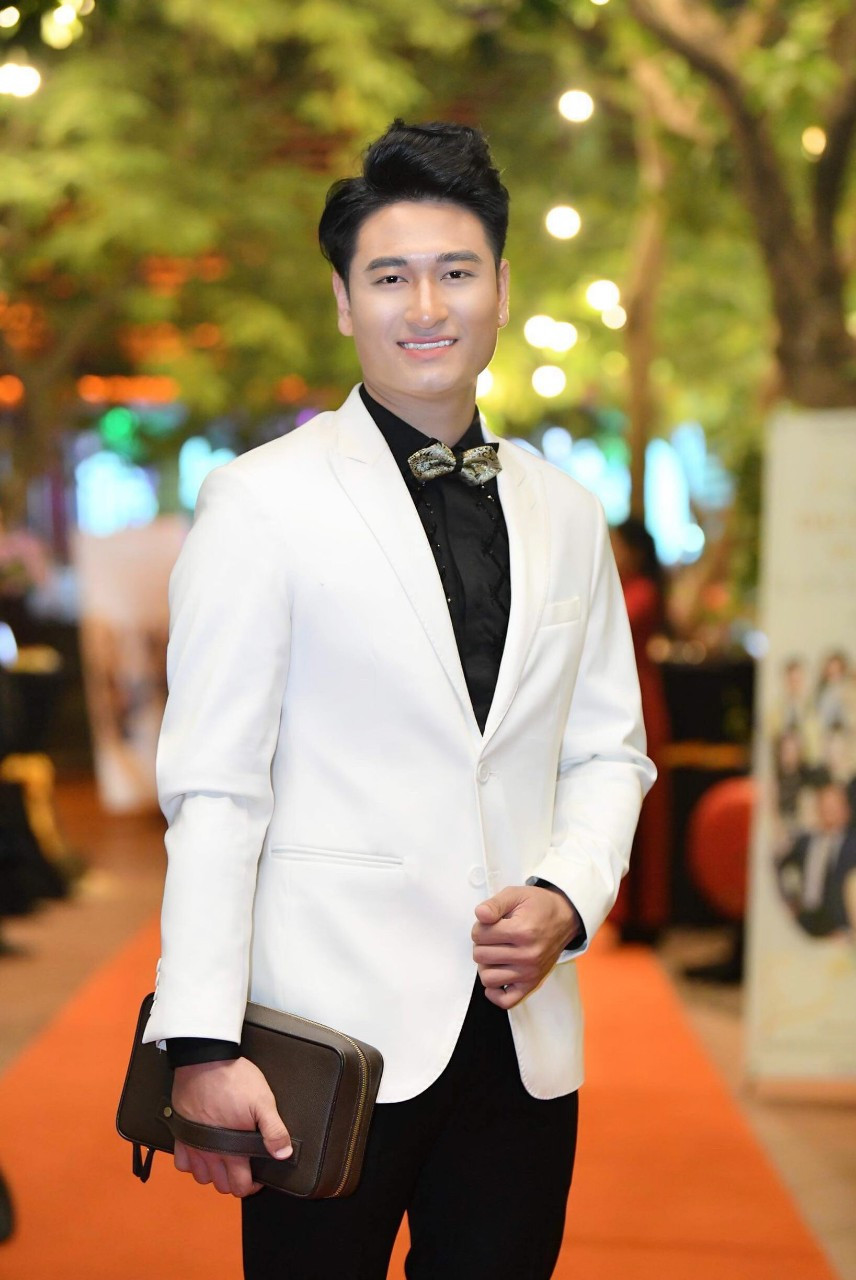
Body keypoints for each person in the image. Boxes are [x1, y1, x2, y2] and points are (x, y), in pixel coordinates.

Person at [143, 119, 654, 1280]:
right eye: (389, 276)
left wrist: (569, 893)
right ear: (343, 300)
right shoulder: (258, 503)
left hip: (520, 1037)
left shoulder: (569, 511)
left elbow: (608, 751)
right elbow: (215, 787)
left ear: (500, 287)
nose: (425, 305)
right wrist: (201, 1041)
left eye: (454, 271)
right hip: (325, 1040)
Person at [608, 517, 671, 943]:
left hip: (641, 703)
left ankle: (646, 914)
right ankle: (623, 911)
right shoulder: (624, 586)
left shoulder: (642, 591)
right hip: (620, 694)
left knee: (644, 809)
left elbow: (616, 622)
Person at [776, 778, 856, 939]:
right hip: (803, 925)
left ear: (845, 809)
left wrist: (848, 929)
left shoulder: (852, 845)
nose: (829, 811)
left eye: (834, 806)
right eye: (825, 805)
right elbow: (781, 867)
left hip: (839, 931)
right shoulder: (804, 842)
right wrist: (789, 901)